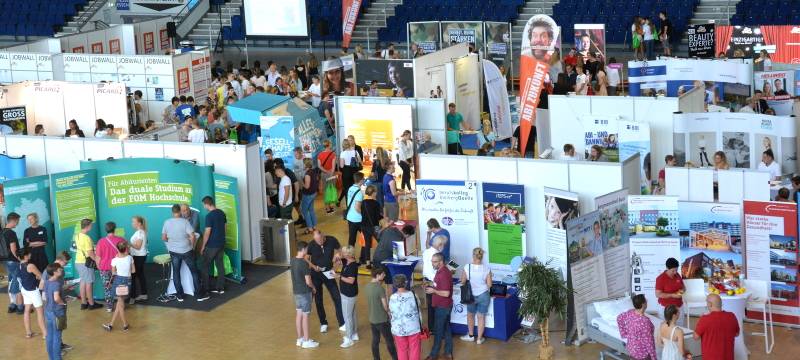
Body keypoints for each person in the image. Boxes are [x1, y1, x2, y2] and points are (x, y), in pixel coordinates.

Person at [307, 230, 345, 332]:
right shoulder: (311, 244)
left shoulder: (332, 240)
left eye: (320, 240)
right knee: (318, 299)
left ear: (323, 236)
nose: (319, 242)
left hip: (329, 272)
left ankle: (342, 323)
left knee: (337, 296)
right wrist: (313, 267)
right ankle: (323, 322)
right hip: (316, 275)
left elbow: (341, 251)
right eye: (316, 240)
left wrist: (337, 260)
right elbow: (306, 258)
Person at [162, 204, 200, 302]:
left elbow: (164, 238)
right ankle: (199, 294)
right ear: (180, 211)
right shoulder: (185, 222)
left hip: (173, 251)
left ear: (172, 212)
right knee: (194, 271)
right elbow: (192, 236)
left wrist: (171, 242)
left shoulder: (167, 222)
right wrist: (191, 246)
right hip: (186, 250)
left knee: (176, 272)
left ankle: (180, 295)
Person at [459, 247, 493, 344]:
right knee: (481, 317)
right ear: (482, 257)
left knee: (470, 315)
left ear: (473, 255)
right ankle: (479, 339)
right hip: (484, 295)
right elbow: (490, 285)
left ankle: (470, 336)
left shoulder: (467, 267)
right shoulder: (486, 268)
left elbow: (462, 281)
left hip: (471, 296)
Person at [693, 294, 739, 360]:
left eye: (707, 303)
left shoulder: (705, 319)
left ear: (710, 304)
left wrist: (700, 321)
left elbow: (695, 337)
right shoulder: (732, 316)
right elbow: (737, 334)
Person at [291, 240, 319, 348]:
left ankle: (300, 338)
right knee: (306, 316)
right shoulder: (303, 264)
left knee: (299, 314)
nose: (307, 251)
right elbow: (308, 281)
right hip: (305, 292)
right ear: (303, 249)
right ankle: (307, 341)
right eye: (306, 249)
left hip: (296, 292)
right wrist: (313, 288)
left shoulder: (293, 260)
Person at [365, 266, 398, 360]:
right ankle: (395, 358)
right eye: (383, 274)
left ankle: (376, 358)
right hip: (382, 319)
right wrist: (390, 314)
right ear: (378, 275)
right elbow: (385, 306)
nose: (385, 275)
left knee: (375, 340)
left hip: (372, 319)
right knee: (389, 340)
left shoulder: (367, 286)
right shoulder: (380, 288)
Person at [426, 252, 454, 360]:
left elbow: (446, 293)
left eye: (434, 262)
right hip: (443, 306)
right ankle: (448, 353)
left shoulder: (443, 274)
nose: (432, 263)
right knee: (446, 329)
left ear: (441, 262)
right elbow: (439, 286)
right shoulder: (440, 271)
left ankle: (433, 355)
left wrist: (433, 290)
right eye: (432, 261)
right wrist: (432, 286)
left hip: (443, 307)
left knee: (438, 331)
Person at [199, 196, 227, 300]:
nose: (204, 206)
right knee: (220, 265)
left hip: (212, 245)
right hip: (221, 243)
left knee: (204, 266)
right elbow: (225, 227)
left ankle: (206, 291)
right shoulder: (221, 213)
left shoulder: (209, 216)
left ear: (206, 204)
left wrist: (202, 246)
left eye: (204, 205)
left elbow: (207, 232)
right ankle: (220, 288)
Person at [103, 241, 133, 332]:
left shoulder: (114, 260)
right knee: (120, 304)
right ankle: (111, 325)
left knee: (119, 304)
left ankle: (125, 325)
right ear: (126, 249)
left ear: (117, 249)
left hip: (118, 281)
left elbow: (113, 273)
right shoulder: (130, 258)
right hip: (128, 281)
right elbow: (133, 270)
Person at [617, 294, 658, 360]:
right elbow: (649, 342)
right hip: (642, 354)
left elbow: (619, 318)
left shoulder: (630, 313)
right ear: (643, 304)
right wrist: (654, 357)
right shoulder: (645, 322)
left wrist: (624, 333)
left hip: (632, 349)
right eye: (645, 300)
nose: (647, 301)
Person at [17, 247, 46, 339]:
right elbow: (41, 276)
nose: (30, 255)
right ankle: (45, 334)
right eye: (29, 254)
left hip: (25, 290)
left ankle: (28, 333)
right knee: (40, 312)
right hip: (33, 291)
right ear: (25, 256)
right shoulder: (30, 266)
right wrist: (38, 277)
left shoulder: (20, 265)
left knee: (27, 310)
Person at [73, 219, 102, 310]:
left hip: (78, 261)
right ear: (88, 226)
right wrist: (97, 262)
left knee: (83, 281)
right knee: (89, 283)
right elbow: (90, 253)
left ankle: (84, 303)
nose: (92, 227)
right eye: (91, 225)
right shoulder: (87, 238)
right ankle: (92, 304)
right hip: (86, 263)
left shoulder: (77, 235)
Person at [96, 222, 125, 312]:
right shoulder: (121, 240)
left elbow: (98, 257)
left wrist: (99, 266)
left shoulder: (101, 241)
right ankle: (121, 306)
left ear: (106, 229)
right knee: (120, 286)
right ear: (115, 229)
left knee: (107, 287)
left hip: (104, 267)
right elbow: (125, 254)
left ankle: (109, 306)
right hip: (118, 268)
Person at [43, 263, 66, 360]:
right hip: (57, 312)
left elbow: (45, 296)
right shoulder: (57, 283)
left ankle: (51, 357)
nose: (61, 271)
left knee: (49, 335)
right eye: (60, 270)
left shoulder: (47, 282)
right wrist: (63, 303)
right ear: (55, 272)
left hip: (48, 310)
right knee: (57, 336)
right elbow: (56, 298)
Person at [338, 245, 360, 348]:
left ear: (348, 254)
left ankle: (349, 338)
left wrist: (339, 277)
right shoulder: (347, 261)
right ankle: (354, 333)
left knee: (347, 316)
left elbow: (351, 281)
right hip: (349, 292)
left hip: (348, 293)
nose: (342, 254)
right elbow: (336, 257)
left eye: (344, 252)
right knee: (352, 314)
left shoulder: (352, 266)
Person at [422, 235, 444, 331]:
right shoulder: (437, 255)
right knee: (437, 306)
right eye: (443, 244)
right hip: (434, 281)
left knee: (430, 306)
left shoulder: (426, 251)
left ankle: (431, 328)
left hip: (426, 280)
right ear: (440, 244)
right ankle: (437, 328)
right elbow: (437, 270)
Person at [655, 258, 685, 326]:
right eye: (673, 270)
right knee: (666, 326)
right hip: (666, 308)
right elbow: (658, 294)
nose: (675, 272)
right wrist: (672, 295)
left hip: (678, 306)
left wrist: (681, 292)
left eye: (676, 270)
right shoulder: (660, 279)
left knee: (680, 326)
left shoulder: (677, 275)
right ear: (667, 268)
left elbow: (683, 287)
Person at [360, 185, 383, 266]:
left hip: (364, 226)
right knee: (381, 242)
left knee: (367, 244)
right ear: (373, 193)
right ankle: (380, 260)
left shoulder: (363, 202)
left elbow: (362, 213)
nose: (376, 193)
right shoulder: (376, 203)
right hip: (374, 227)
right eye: (375, 192)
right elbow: (378, 217)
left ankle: (368, 263)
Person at [129, 216, 148, 303]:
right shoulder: (139, 232)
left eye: (133, 222)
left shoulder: (140, 232)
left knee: (133, 276)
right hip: (139, 256)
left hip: (138, 257)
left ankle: (132, 297)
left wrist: (128, 244)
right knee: (140, 275)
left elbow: (138, 246)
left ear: (139, 223)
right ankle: (144, 294)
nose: (132, 223)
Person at [339, 138, 362, 206]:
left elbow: (342, 166)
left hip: (346, 173)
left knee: (347, 190)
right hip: (355, 172)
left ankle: (349, 207)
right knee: (355, 188)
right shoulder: (355, 152)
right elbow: (360, 161)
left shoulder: (343, 153)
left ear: (343, 145)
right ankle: (356, 205)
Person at [346, 172, 365, 248]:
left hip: (350, 217)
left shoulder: (350, 188)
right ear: (360, 180)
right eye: (363, 179)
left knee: (351, 239)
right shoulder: (359, 192)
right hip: (358, 219)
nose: (364, 180)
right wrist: (364, 215)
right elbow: (357, 208)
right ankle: (364, 257)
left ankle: (350, 256)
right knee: (365, 238)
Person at [317, 139, 337, 214]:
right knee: (331, 190)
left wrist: (325, 171)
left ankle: (327, 207)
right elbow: (333, 167)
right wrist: (330, 173)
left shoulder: (320, 154)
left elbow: (319, 166)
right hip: (331, 175)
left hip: (323, 174)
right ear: (329, 145)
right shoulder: (333, 154)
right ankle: (331, 206)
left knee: (326, 191)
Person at [301, 158, 320, 234]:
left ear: (305, 165)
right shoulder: (314, 171)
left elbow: (307, 186)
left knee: (305, 211)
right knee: (311, 209)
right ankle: (314, 226)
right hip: (313, 193)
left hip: (308, 194)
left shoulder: (307, 174)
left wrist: (301, 182)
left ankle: (310, 228)